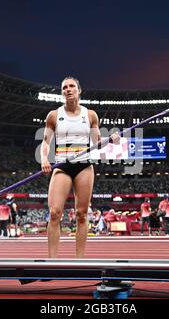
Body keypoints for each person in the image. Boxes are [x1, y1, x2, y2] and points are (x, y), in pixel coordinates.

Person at [40, 76, 119, 258]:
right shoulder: (53, 115)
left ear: (79, 90)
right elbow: (45, 143)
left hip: (84, 166)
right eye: (64, 87)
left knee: (82, 214)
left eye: (71, 86)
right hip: (62, 165)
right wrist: (44, 159)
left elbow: (97, 142)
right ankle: (52, 262)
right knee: (54, 213)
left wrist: (111, 140)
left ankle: (79, 261)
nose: (68, 89)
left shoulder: (90, 115)